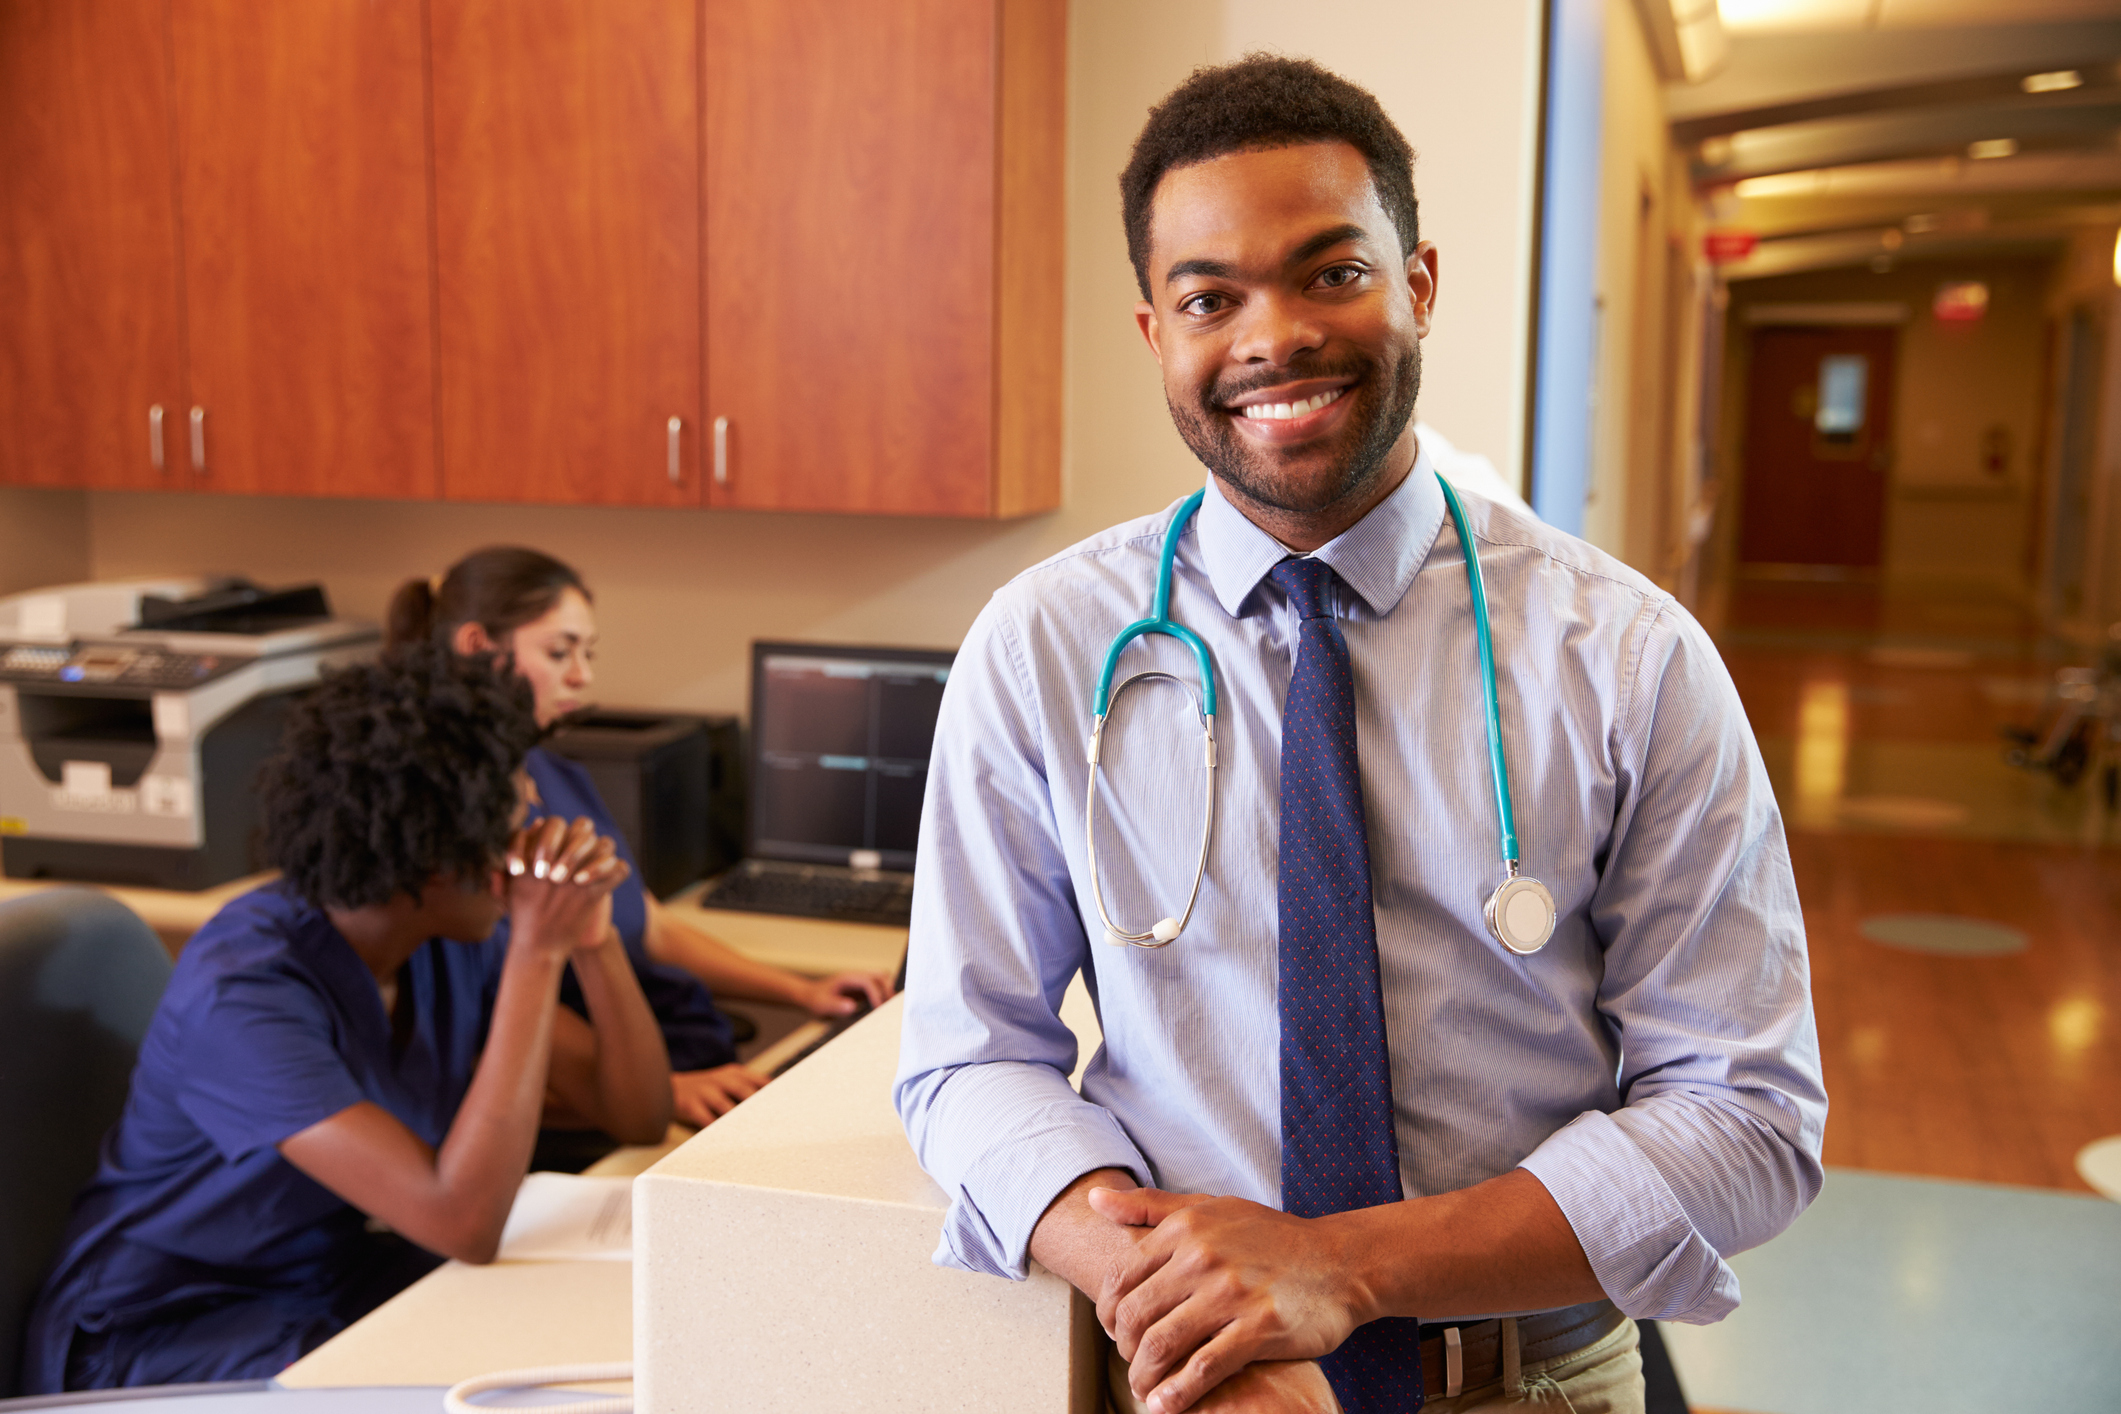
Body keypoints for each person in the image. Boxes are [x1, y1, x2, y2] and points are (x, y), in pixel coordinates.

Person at [894, 56, 1826, 1414]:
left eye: (1332, 273)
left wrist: (1337, 1268)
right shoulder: (1043, 648)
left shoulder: (1624, 656)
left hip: (1531, 1380)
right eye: (1212, 297)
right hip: (1198, 1382)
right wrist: (1176, 1292)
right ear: (1154, 329)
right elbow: (971, 1054)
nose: (1274, 337)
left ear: (1420, 286)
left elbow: (1747, 1118)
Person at [23, 647, 670, 1391]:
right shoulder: (244, 993)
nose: (533, 832)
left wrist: (589, 945)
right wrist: (534, 952)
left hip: (322, 1283)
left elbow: (638, 1113)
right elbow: (461, 1220)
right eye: (511, 815)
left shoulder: (446, 937)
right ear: (431, 855)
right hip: (166, 1332)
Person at [387, 547, 894, 1129]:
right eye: (559, 651)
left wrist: (801, 992)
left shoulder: (554, 774)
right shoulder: (456, 825)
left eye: (587, 652)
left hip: (664, 1062)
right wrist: (664, 1091)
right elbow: (497, 1032)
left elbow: (648, 923)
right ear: (477, 647)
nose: (582, 675)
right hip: (608, 1099)